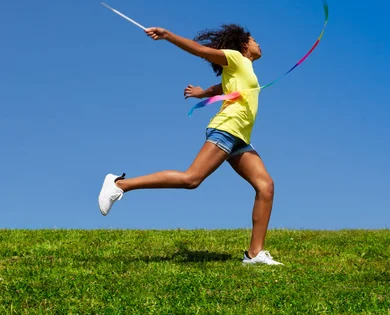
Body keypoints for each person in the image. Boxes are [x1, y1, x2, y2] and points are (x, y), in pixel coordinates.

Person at [98, 23, 282, 265]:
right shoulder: (235, 57)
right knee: (191, 179)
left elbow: (225, 87)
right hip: (226, 129)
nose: (259, 44)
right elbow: (200, 50)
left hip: (240, 137)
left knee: (265, 186)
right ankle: (120, 184)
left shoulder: (243, 69)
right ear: (244, 44)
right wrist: (168, 35)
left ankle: (254, 254)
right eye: (255, 39)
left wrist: (202, 92)